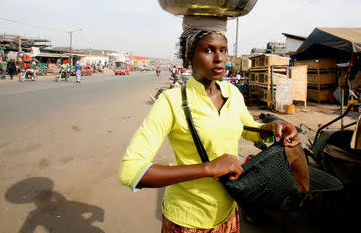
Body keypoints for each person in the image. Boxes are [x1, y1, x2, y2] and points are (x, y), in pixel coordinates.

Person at [119, 21, 300, 232]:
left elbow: (247, 129)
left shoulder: (232, 93)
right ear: (189, 57)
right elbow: (130, 171)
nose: (219, 58)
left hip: (229, 211)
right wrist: (207, 168)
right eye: (208, 50)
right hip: (187, 219)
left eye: (223, 50)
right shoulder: (171, 101)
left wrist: (273, 127)